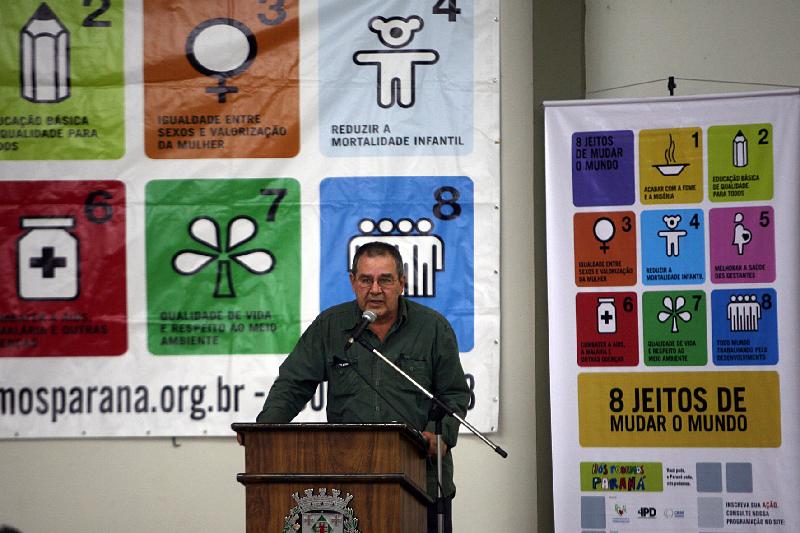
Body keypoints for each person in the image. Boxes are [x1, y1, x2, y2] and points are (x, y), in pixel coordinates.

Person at [257, 241, 470, 533]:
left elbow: (454, 395)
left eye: (385, 280)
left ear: (402, 283)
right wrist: (263, 431)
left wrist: (441, 436)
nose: (375, 290)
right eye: (366, 280)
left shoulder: (432, 327)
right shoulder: (331, 326)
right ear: (352, 282)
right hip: (349, 479)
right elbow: (293, 384)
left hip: (421, 478)